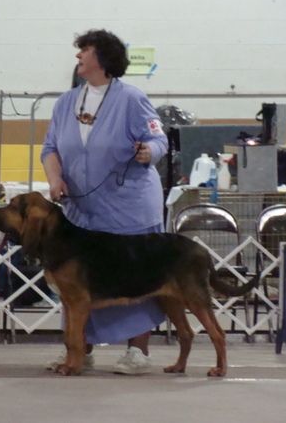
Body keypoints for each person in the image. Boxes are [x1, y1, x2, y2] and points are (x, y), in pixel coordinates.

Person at [41, 29, 168, 375]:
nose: (78, 56)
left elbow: (159, 139)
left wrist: (148, 151)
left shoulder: (132, 99)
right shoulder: (65, 103)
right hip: (81, 211)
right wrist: (55, 180)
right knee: (77, 282)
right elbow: (50, 148)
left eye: (85, 50)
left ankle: (138, 352)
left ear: (103, 58)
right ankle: (80, 351)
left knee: (135, 276)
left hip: (129, 207)